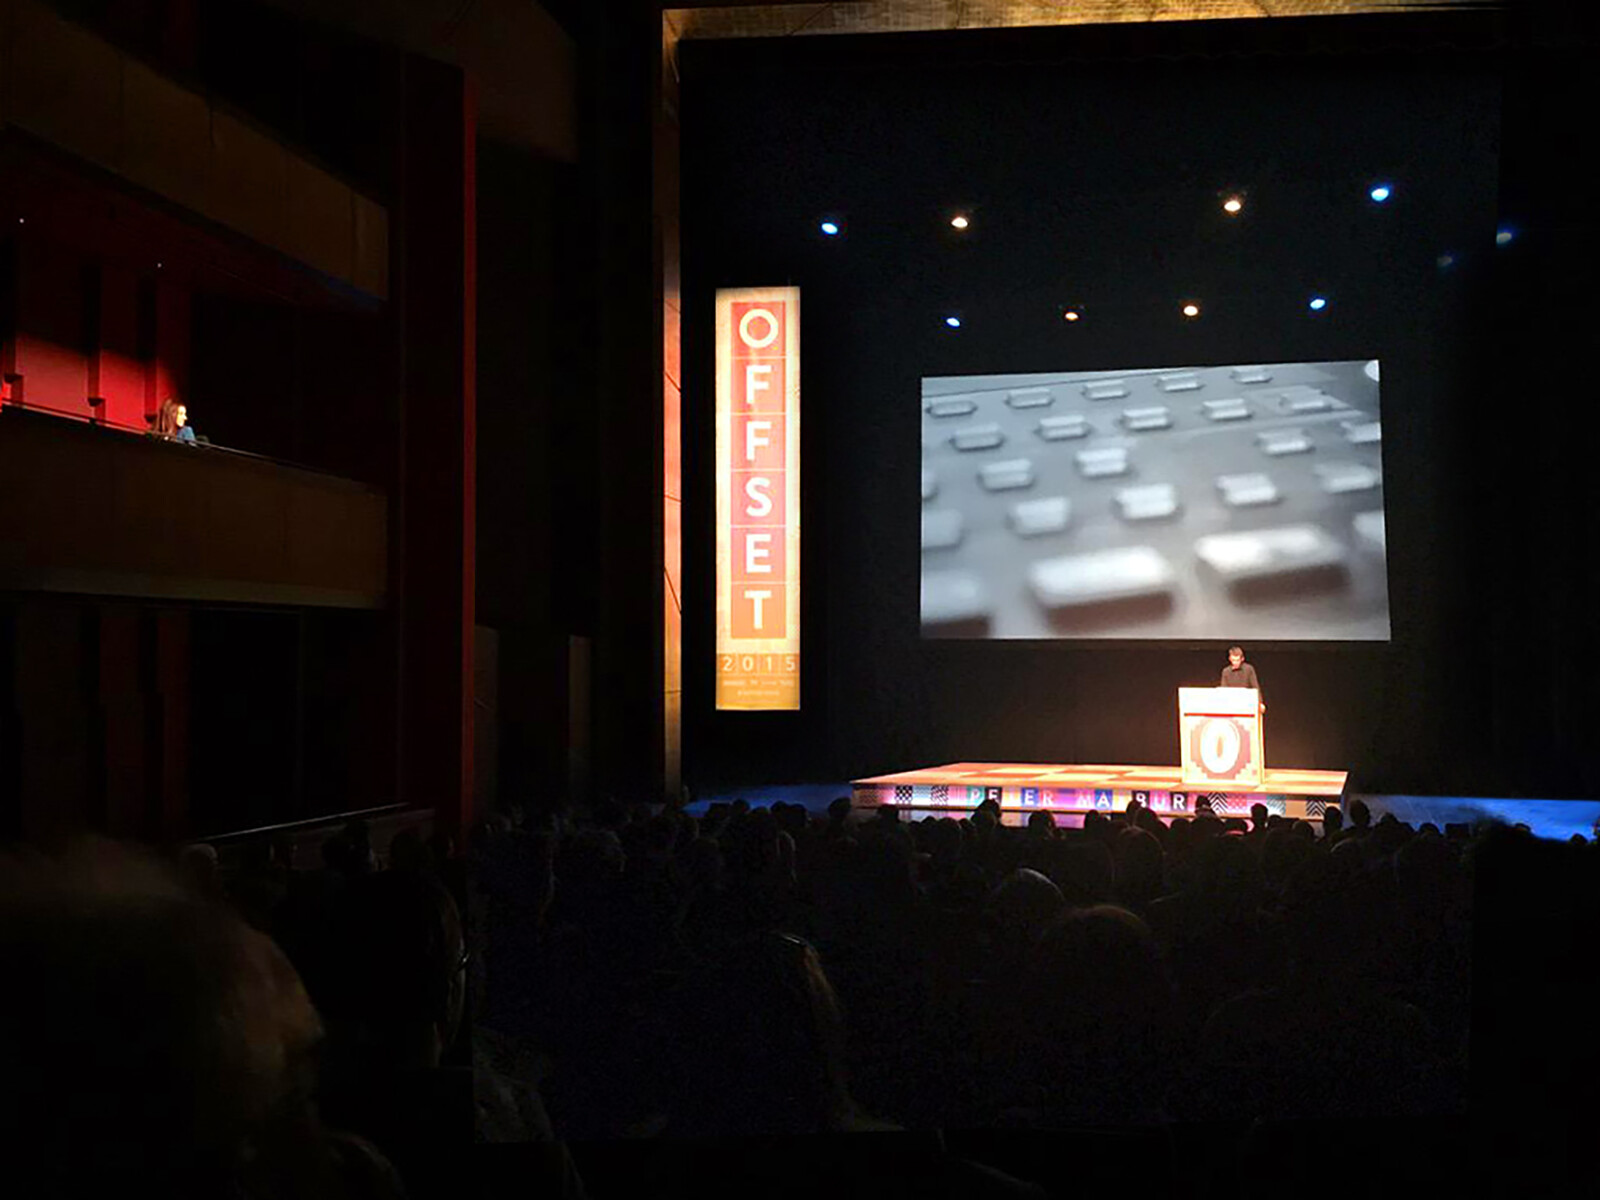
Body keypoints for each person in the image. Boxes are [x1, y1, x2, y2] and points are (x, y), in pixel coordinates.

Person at [1220, 644, 1264, 712]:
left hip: (1247, 703)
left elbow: (1255, 687)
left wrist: (1260, 702)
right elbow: (1224, 690)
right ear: (1229, 659)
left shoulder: (1249, 669)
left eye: (1237, 660)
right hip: (1231, 704)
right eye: (1233, 660)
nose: (1235, 662)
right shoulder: (1226, 671)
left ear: (1242, 659)